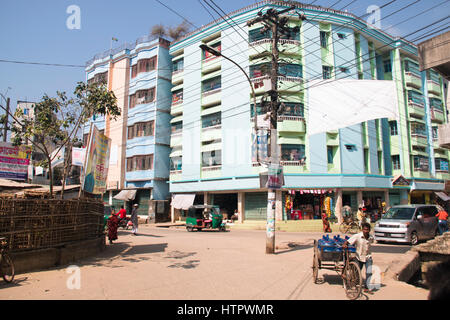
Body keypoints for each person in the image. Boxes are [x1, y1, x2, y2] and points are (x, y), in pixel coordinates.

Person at [343, 222, 375, 294]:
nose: (366, 231)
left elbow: (372, 243)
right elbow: (348, 241)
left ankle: (366, 288)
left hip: (368, 257)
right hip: (359, 257)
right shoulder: (357, 236)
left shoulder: (371, 237)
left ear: (369, 230)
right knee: (357, 272)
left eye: (367, 230)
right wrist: (345, 244)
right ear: (362, 229)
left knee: (369, 272)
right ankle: (355, 282)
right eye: (364, 229)